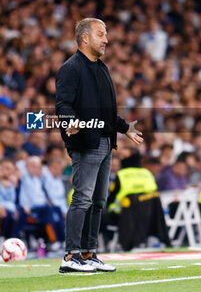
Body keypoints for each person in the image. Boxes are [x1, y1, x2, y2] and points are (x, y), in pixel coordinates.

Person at [55, 18, 143, 273]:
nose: (106, 39)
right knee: (82, 198)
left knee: (98, 201)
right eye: (100, 34)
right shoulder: (71, 68)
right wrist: (71, 121)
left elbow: (106, 111)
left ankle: (88, 253)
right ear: (85, 38)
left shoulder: (101, 68)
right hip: (85, 142)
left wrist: (125, 128)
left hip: (105, 141)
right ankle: (70, 256)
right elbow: (63, 104)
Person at [106, 147, 170, 250]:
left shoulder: (122, 175)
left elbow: (111, 199)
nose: (121, 158)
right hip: (150, 217)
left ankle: (102, 244)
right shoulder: (147, 173)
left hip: (124, 216)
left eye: (123, 156)